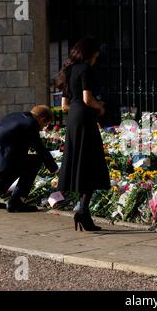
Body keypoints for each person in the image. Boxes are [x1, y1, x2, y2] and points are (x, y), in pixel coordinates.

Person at [56, 38, 110, 232]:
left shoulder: (69, 70)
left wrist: (77, 109)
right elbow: (88, 99)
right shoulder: (86, 69)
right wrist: (101, 108)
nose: (97, 57)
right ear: (89, 54)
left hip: (72, 119)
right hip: (85, 120)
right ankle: (82, 209)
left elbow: (64, 105)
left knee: (80, 163)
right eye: (95, 54)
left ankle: (84, 213)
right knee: (92, 164)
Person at [0, 106, 58, 212]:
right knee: (35, 161)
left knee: (21, 163)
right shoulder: (31, 124)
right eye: (45, 125)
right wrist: (56, 170)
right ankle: (16, 201)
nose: (42, 128)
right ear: (42, 119)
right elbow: (40, 149)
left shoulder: (14, 116)